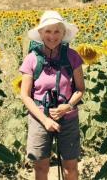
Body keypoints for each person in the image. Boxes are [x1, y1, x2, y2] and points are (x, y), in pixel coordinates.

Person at [19, 10, 85, 180]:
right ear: (40, 34)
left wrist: (68, 106)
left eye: (57, 31)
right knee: (41, 167)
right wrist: (45, 119)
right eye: (48, 31)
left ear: (63, 34)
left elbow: (80, 89)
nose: (52, 36)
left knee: (70, 167)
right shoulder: (32, 59)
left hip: (68, 117)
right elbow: (25, 95)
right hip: (39, 117)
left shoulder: (72, 57)